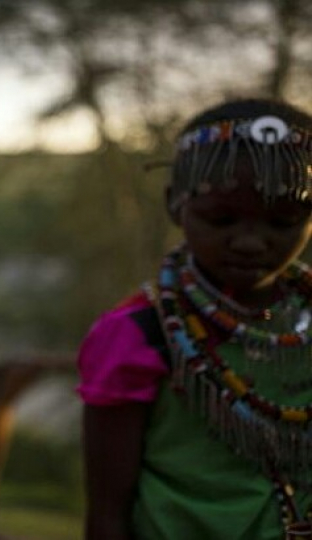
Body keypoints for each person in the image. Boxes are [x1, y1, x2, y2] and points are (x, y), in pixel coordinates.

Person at [79, 98, 312, 538]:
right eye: (220, 218)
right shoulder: (137, 335)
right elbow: (108, 513)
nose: (249, 242)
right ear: (175, 205)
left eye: (283, 221)